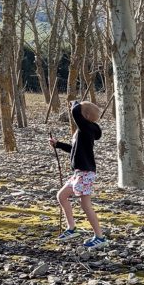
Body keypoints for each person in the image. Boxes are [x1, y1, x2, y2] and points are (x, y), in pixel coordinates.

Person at [49, 100, 107, 249]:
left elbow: (75, 112)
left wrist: (75, 103)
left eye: (80, 112)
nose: (76, 114)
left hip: (86, 172)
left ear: (85, 116)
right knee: (61, 196)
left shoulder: (86, 127)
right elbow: (74, 150)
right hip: (79, 173)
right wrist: (58, 144)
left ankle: (100, 237)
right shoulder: (83, 131)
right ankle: (71, 229)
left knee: (85, 204)